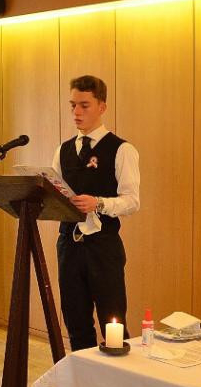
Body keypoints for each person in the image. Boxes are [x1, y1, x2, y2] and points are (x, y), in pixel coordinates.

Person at [52, 75, 140, 351]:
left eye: (84, 105)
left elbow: (132, 201)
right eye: (73, 105)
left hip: (103, 246)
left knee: (113, 324)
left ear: (102, 107)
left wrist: (99, 203)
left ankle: (118, 376)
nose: (76, 112)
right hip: (69, 245)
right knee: (75, 322)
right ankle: (82, 375)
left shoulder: (122, 149)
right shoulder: (63, 150)